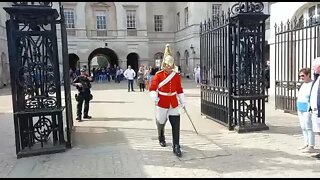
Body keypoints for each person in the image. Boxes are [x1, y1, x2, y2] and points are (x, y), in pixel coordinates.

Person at [149, 44, 186, 157]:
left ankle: (176, 146)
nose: (169, 68)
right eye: (167, 65)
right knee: (161, 122)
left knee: (176, 124)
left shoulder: (176, 76)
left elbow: (179, 90)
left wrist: (183, 102)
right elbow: (152, 89)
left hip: (173, 103)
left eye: (171, 65)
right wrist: (154, 96)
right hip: (162, 103)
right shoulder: (158, 75)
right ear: (164, 65)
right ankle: (161, 135)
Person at [296, 68, 315, 153]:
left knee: (309, 127)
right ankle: (306, 143)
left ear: (308, 75)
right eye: (300, 76)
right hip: (300, 107)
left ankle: (311, 145)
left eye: (303, 76)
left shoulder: (312, 84)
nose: (301, 77)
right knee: (303, 127)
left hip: (307, 108)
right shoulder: (303, 84)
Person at [310, 57, 320, 159]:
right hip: (315, 109)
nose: (313, 68)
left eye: (315, 66)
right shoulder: (317, 77)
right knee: (318, 130)